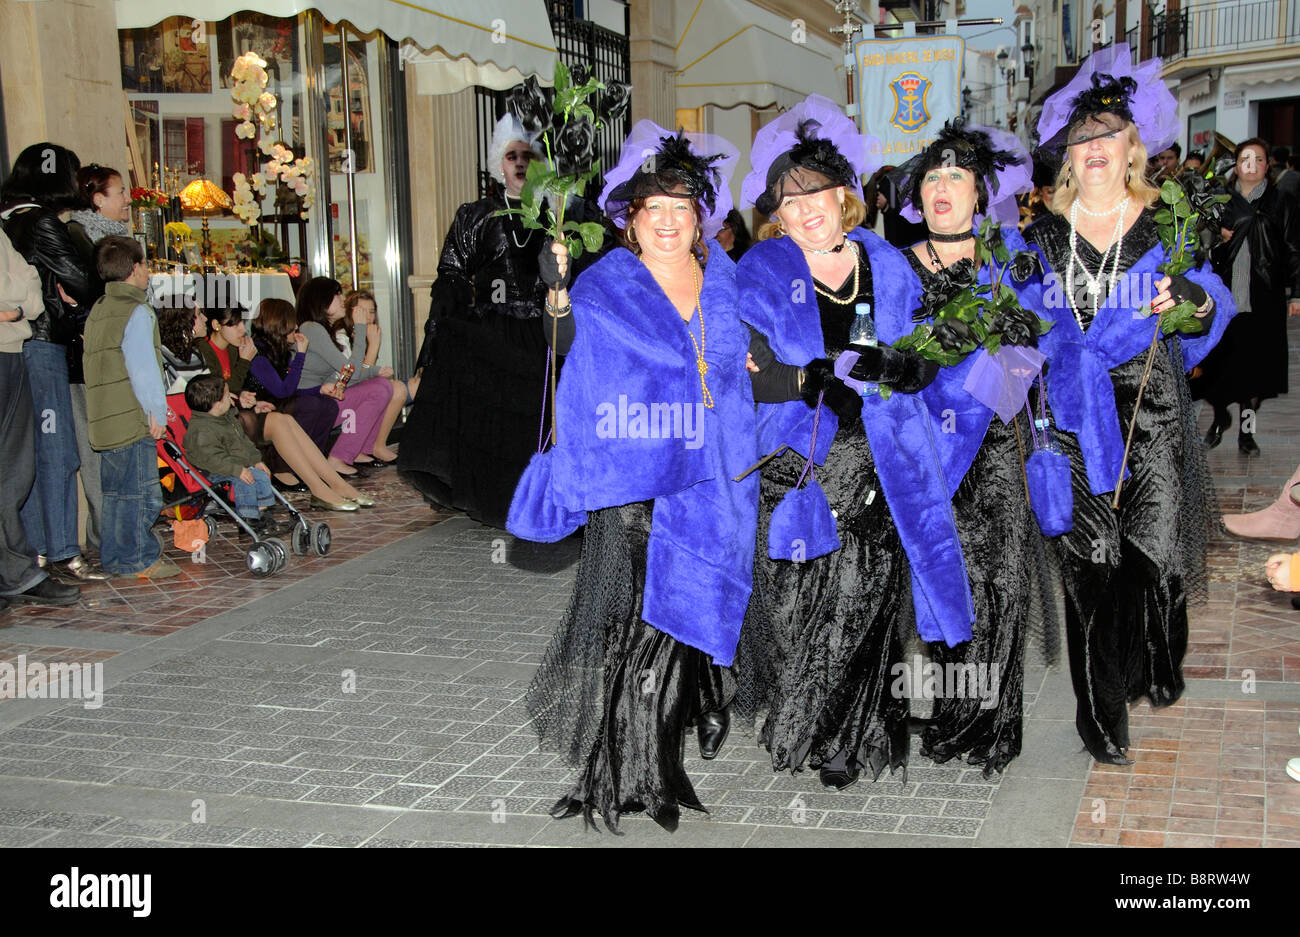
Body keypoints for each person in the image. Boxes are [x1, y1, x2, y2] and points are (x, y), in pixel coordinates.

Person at [510, 122, 757, 831]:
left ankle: (684, 722)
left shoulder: (726, 280)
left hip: (712, 474)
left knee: (687, 614)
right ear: (631, 220)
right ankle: (634, 770)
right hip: (636, 473)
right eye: (656, 210)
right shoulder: (608, 281)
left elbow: (750, 360)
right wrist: (556, 296)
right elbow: (566, 347)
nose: (670, 222)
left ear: (701, 219)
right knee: (640, 624)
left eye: (683, 209)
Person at [1026, 45, 1234, 764]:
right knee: (1090, 567)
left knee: (1148, 562)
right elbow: (1009, 338)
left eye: (1106, 137)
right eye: (1080, 140)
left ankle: (1149, 655)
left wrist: (1195, 298)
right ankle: (1100, 710)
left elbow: (1215, 297)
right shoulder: (1037, 243)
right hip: (1071, 422)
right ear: (1067, 158)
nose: (1093, 150)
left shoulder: (1164, 230)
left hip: (1154, 417)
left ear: (1131, 148)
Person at [733, 94, 945, 789]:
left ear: (843, 195)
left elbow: (920, 349)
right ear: (776, 214)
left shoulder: (886, 263)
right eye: (789, 202)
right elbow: (750, 371)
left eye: (815, 193)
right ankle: (806, 714)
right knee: (800, 600)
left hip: (878, 448)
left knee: (866, 591)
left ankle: (848, 733)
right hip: (797, 457)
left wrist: (912, 366)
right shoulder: (762, 272)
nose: (804, 210)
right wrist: (808, 379)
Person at [892, 121, 1048, 774]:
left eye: (956, 176)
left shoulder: (1011, 259)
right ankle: (956, 714)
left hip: (994, 448)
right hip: (924, 451)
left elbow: (1036, 352)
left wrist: (997, 355)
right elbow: (876, 360)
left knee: (1000, 583)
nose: (941, 188)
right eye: (931, 177)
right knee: (947, 585)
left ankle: (996, 722)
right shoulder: (896, 267)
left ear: (980, 193)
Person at [401, 114, 596, 527]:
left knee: (539, 418)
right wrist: (443, 328)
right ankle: (498, 498)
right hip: (492, 337)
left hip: (544, 331)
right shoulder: (477, 215)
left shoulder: (558, 216)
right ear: (498, 162)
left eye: (529, 155)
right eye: (512, 155)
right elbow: (451, 273)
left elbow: (587, 268)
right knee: (494, 425)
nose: (521, 163)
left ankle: (543, 501)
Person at [0, 143, 108, 583]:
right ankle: (61, 551)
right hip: (43, 344)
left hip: (26, 344)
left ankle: (37, 551)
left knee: (26, 454)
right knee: (57, 451)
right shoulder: (42, 220)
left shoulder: (9, 217)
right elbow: (85, 281)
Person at [198, 301, 371, 511]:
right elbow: (217, 394)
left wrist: (251, 399)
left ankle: (335, 484)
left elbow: (239, 390)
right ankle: (320, 488)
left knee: (298, 414)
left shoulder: (237, 349)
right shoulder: (211, 350)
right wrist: (296, 356)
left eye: (242, 323)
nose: (243, 329)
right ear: (216, 325)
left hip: (246, 412)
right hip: (218, 422)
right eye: (234, 325)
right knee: (286, 418)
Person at [1192, 138, 1300, 455]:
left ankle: (1246, 433)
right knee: (1217, 367)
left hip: (1264, 297)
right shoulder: (1219, 201)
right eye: (1245, 159)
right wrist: (1217, 237)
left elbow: (1294, 248)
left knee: (1258, 373)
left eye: (1259, 159)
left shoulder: (1282, 201)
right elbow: (1196, 244)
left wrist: (1297, 293)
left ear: (1268, 165)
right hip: (1224, 297)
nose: (1251, 165)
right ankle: (1220, 419)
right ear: (1236, 165)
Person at [82, 236, 179, 579]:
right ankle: (138, 559)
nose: (149, 271)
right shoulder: (137, 311)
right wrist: (156, 412)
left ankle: (116, 557)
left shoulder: (99, 309)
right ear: (136, 268)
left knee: (115, 494)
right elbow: (143, 368)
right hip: (131, 415)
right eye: (146, 265)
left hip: (104, 417)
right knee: (141, 493)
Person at [0, 225, 81, 609]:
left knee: (15, 469)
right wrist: (18, 302)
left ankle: (14, 571)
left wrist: (15, 308)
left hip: (14, 351)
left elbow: (33, 293)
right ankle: (15, 572)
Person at [64, 163, 130, 560]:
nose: (127, 199)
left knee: (116, 448)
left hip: (113, 356)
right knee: (97, 449)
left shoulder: (115, 235)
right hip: (90, 361)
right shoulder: (81, 237)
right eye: (119, 191)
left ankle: (112, 534)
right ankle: (108, 540)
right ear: (97, 198)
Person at [294, 277, 394, 476]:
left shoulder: (321, 330)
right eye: (336, 294)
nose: (342, 299)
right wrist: (361, 329)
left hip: (324, 399)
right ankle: (339, 456)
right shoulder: (311, 328)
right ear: (321, 301)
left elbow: (348, 375)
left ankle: (357, 450)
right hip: (311, 405)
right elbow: (351, 372)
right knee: (379, 389)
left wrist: (375, 371)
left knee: (383, 385)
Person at [181, 374, 291, 537]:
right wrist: (237, 470)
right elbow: (211, 458)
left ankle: (262, 512)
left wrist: (255, 461)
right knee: (245, 480)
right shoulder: (202, 430)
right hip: (214, 469)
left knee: (260, 475)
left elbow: (244, 443)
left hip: (231, 462)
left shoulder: (225, 419)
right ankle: (248, 518)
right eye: (227, 395)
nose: (232, 397)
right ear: (217, 405)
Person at [247, 297, 340, 486]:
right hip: (259, 407)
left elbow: (291, 389)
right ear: (280, 326)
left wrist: (319, 388)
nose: (296, 327)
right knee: (310, 405)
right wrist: (301, 354)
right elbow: (283, 391)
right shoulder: (259, 353)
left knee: (328, 405)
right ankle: (283, 468)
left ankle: (315, 462)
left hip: (279, 402)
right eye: (291, 324)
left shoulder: (279, 349)